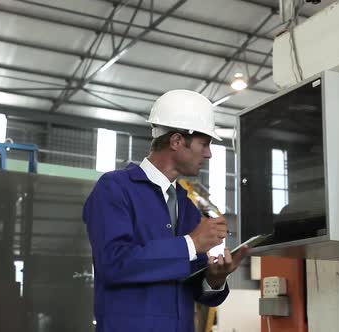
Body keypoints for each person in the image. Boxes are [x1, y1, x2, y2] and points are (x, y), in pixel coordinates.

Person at [83, 89, 249, 331]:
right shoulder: (115, 188)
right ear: (176, 141)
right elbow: (113, 263)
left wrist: (215, 278)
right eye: (204, 143)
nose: (209, 153)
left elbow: (193, 285)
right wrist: (190, 244)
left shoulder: (187, 206)